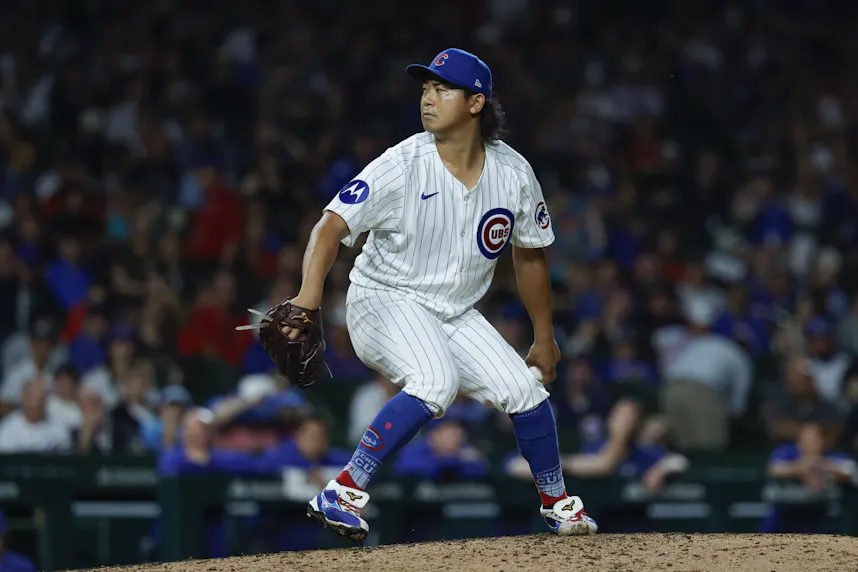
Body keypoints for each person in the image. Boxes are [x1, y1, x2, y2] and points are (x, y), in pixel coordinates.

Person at [282, 48, 597, 540]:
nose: (427, 99)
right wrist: (307, 296)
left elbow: (530, 255)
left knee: (525, 392)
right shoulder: (402, 164)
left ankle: (558, 504)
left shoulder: (513, 172)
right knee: (434, 381)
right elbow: (328, 228)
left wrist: (543, 337)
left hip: (453, 311)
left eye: (441, 89)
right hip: (383, 299)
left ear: (476, 103)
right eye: (425, 89)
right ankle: (342, 491)